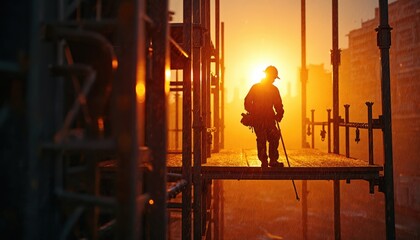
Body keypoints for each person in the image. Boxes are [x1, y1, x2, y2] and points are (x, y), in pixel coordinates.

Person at [244, 65, 284, 168]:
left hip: (267, 119)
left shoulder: (270, 89)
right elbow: (247, 102)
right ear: (270, 76)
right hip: (260, 119)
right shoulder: (259, 88)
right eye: (274, 77)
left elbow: (278, 105)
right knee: (262, 138)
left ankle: (271, 160)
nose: (274, 80)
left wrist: (279, 114)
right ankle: (265, 161)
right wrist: (255, 111)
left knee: (273, 137)